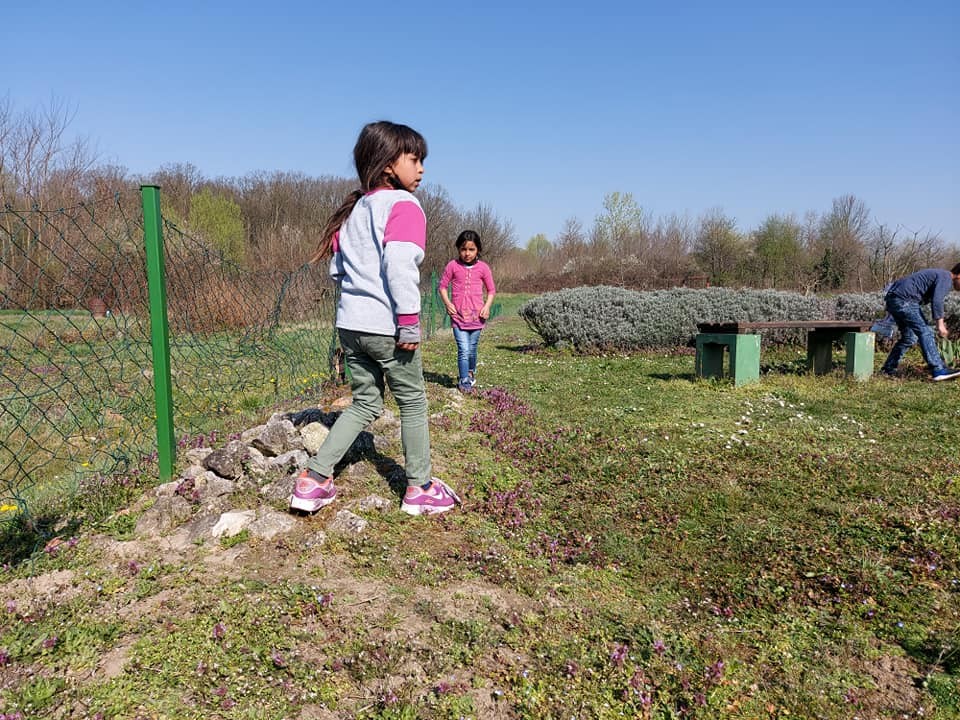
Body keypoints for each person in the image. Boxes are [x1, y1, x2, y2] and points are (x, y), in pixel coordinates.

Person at [289, 121, 460, 516]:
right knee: (413, 402)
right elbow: (400, 266)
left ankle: (313, 479)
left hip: (351, 324)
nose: (421, 169)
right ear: (387, 165)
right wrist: (409, 321)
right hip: (387, 326)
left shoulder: (353, 211)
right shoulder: (403, 206)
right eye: (414, 160)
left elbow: (338, 271)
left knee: (365, 403)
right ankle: (419, 488)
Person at [438, 230, 497, 393]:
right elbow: (442, 287)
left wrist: (487, 306)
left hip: (477, 317)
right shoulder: (452, 266)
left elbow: (491, 290)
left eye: (471, 249)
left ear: (478, 250)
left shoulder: (483, 268)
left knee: (472, 349)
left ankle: (471, 372)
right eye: (464, 249)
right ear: (458, 249)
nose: (467, 253)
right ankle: (464, 380)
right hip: (458, 317)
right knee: (463, 349)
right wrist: (448, 303)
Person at [879, 264, 960, 380]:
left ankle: (888, 368)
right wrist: (940, 324)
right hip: (905, 300)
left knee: (909, 337)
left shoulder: (939, 274)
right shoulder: (946, 277)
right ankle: (938, 369)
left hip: (895, 299)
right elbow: (937, 301)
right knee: (926, 331)